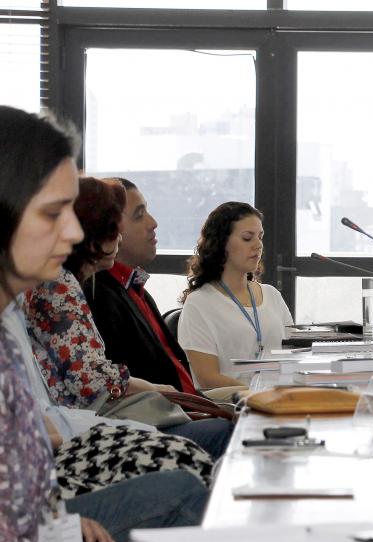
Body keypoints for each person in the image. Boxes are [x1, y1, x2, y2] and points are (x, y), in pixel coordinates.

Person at [0, 105, 208, 542]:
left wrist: (53, 517)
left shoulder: (9, 331)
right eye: (54, 212)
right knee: (186, 486)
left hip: (46, 510)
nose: (75, 231)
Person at [23, 176, 233, 458]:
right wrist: (152, 387)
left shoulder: (98, 286)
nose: (118, 237)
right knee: (224, 433)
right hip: (91, 424)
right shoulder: (64, 287)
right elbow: (86, 380)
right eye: (113, 228)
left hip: (91, 419)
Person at [84, 177, 199, 395]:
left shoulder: (136, 288)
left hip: (188, 406)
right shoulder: (98, 296)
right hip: (160, 418)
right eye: (139, 215)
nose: (153, 222)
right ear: (104, 227)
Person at [178, 202, 293, 389]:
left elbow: (293, 355)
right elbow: (208, 379)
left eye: (260, 237)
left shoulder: (272, 295)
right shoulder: (199, 304)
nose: (258, 245)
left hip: (281, 400)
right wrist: (259, 396)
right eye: (248, 238)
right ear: (221, 243)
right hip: (234, 408)